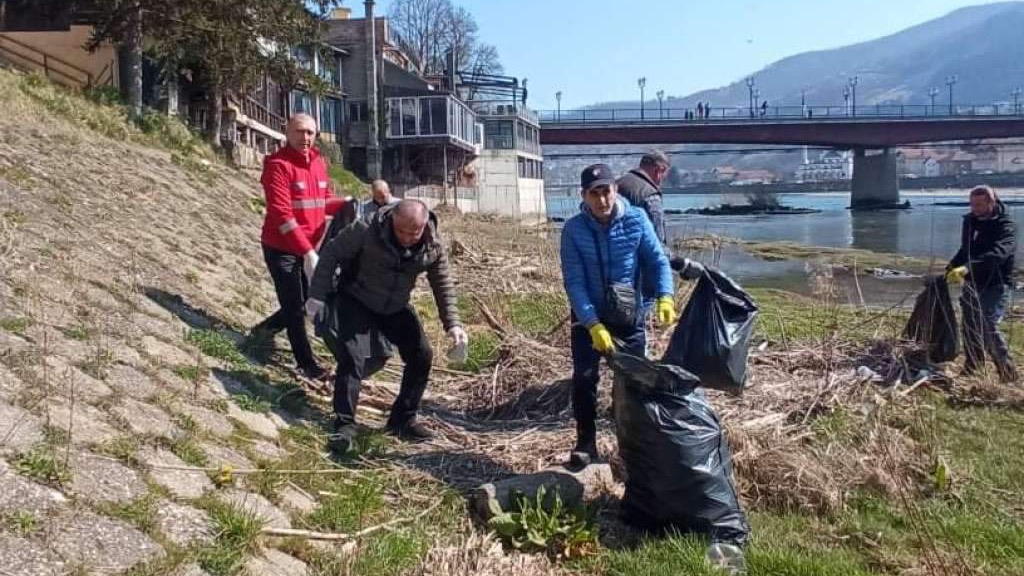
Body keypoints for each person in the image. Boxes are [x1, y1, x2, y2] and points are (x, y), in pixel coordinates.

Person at [306, 199, 469, 453]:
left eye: (412, 233)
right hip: (356, 297)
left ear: (424, 227)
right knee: (353, 357)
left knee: (422, 355)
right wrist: (317, 295)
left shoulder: (433, 245)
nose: (406, 238)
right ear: (392, 219)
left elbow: (442, 283)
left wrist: (453, 325)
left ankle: (402, 420)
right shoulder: (365, 229)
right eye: (401, 230)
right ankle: (344, 423)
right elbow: (331, 253)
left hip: (394, 305)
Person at [560, 163, 676, 468]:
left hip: (629, 316)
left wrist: (665, 295)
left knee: (633, 382)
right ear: (583, 195)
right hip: (589, 318)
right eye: (594, 194)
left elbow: (658, 261)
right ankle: (586, 442)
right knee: (585, 380)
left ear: (616, 190)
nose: (602, 200)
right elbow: (574, 281)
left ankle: (632, 444)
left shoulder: (637, 220)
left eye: (606, 191)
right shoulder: (573, 230)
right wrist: (592, 325)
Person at [250, 114, 344, 381]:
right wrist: (307, 252)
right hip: (281, 248)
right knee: (293, 306)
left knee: (304, 302)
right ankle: (307, 364)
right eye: (300, 132)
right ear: (287, 132)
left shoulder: (318, 163)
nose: (305, 138)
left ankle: (264, 330)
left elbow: (324, 202)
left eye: (310, 133)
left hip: (309, 249)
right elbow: (282, 215)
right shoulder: (278, 166)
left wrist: (349, 203)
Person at [946, 185, 1018, 382]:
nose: (974, 209)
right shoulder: (970, 221)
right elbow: (965, 250)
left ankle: (1007, 371)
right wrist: (951, 267)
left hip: (996, 283)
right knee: (969, 324)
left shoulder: (1006, 225)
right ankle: (972, 365)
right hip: (972, 282)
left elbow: (998, 254)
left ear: (991, 203)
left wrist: (967, 268)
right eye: (972, 204)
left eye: (979, 204)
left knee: (987, 325)